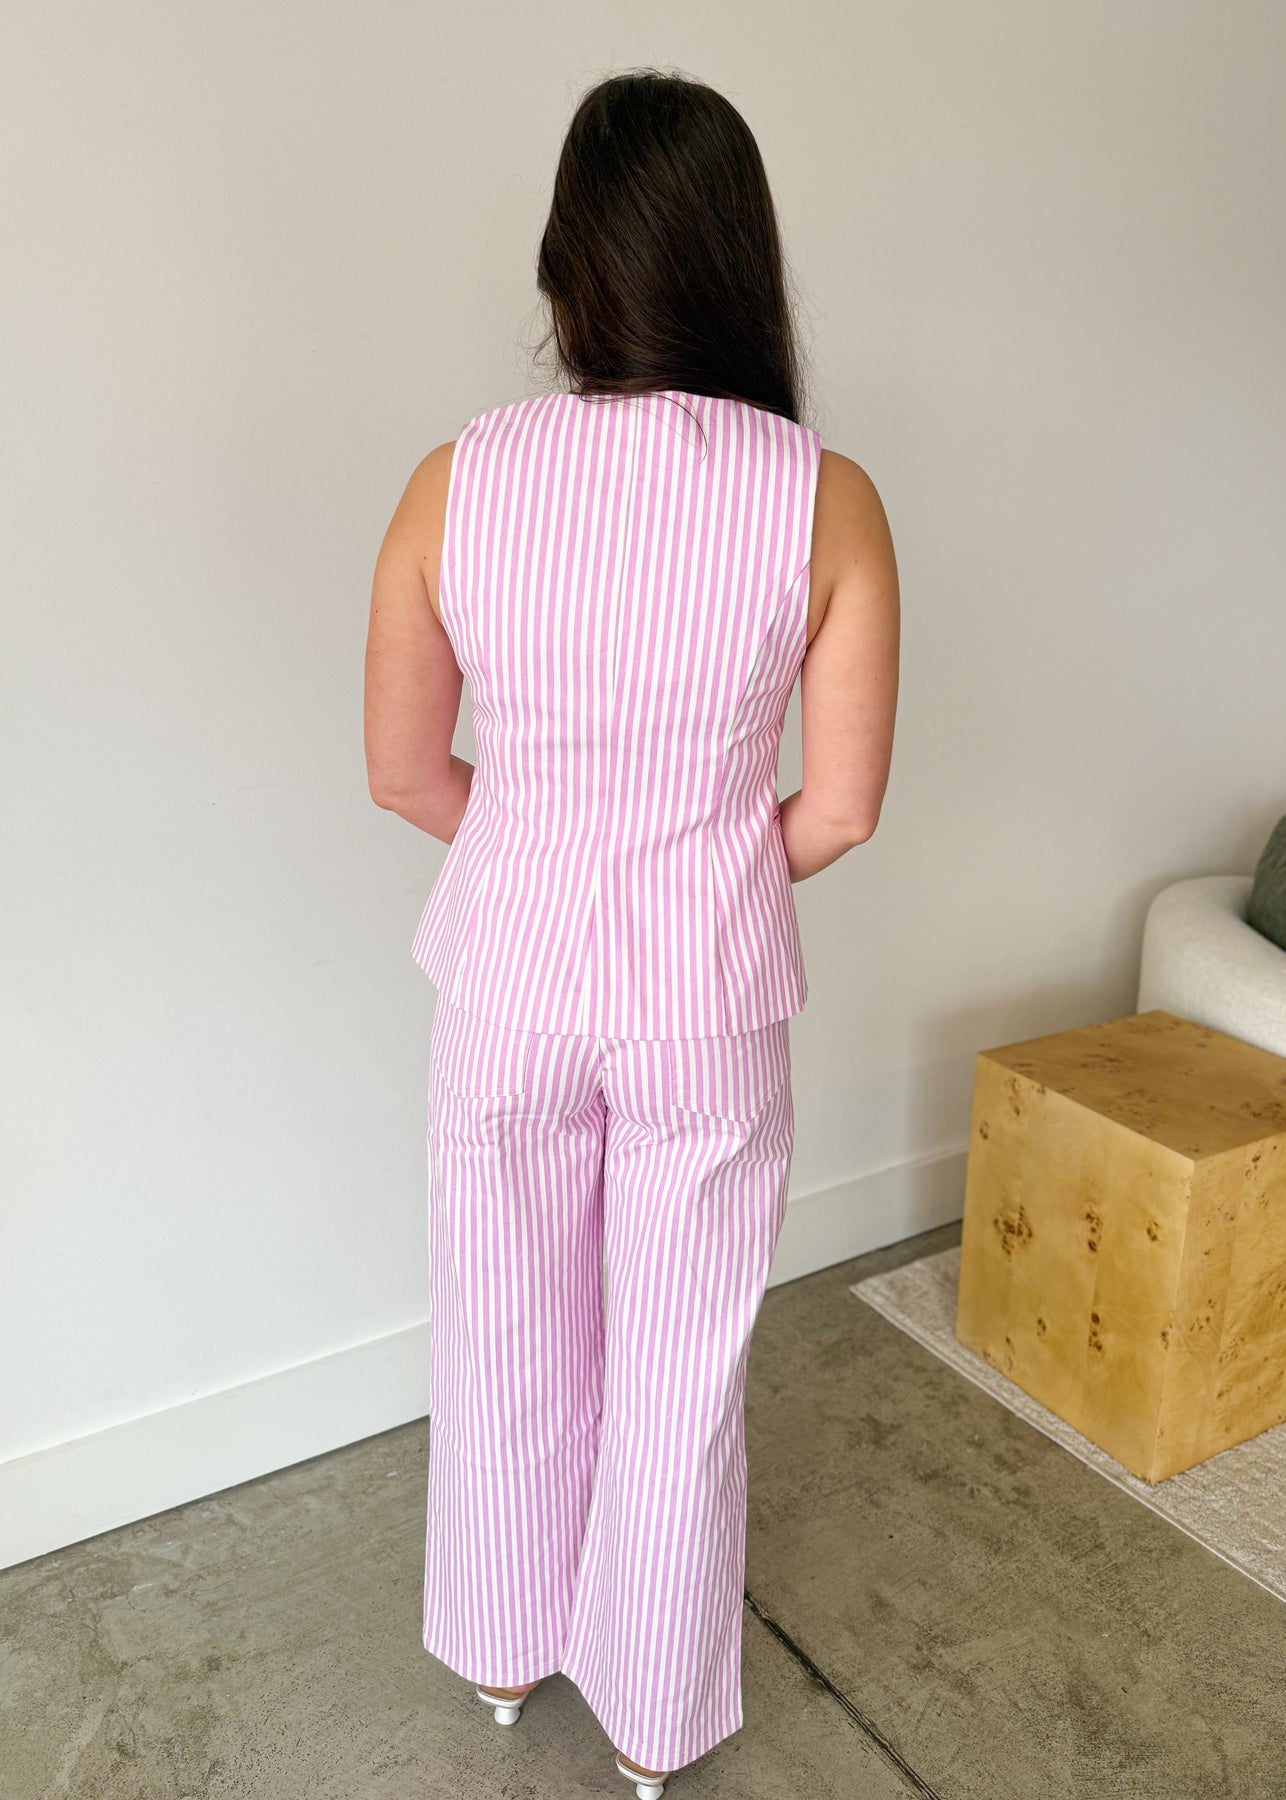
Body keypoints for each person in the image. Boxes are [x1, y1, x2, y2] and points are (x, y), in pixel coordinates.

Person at [364, 66, 899, 1799]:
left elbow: (401, 771)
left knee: (504, 1324)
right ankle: (656, 1725)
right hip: (704, 1003)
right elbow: (837, 810)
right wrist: (695, 873)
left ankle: (502, 1654)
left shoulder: (455, 481)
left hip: (504, 988)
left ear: (565, 266)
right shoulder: (823, 497)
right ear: (743, 261)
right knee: (681, 1364)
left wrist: (543, 849)